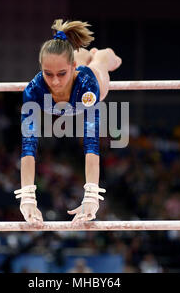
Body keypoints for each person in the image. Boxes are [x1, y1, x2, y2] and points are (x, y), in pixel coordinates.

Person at [15, 19, 122, 226]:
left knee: (103, 59)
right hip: (73, 81)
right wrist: (27, 199)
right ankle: (81, 54)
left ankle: (100, 54)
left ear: (72, 68)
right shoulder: (33, 90)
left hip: (91, 84)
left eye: (61, 74)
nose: (54, 81)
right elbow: (29, 146)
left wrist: (91, 196)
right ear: (41, 69)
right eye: (48, 73)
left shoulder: (88, 87)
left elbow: (91, 143)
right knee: (80, 54)